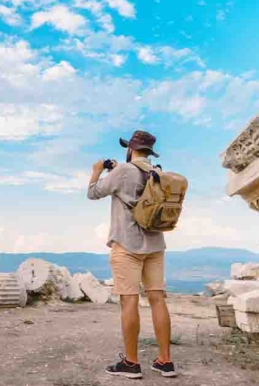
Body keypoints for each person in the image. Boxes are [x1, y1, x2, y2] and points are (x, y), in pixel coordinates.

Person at [86, 130, 177, 379]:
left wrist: (97, 170)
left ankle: (131, 363)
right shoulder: (157, 172)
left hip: (127, 246)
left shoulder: (123, 171)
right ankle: (165, 362)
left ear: (130, 149)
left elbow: (93, 193)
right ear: (150, 152)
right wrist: (117, 170)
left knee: (130, 301)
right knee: (157, 299)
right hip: (156, 245)